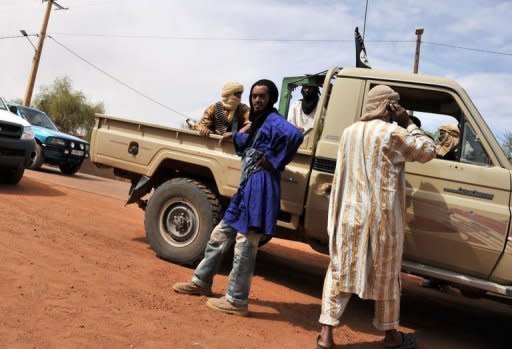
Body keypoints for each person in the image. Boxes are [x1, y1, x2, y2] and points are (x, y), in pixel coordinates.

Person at [316, 85, 436, 349]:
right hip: (381, 220)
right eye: (397, 105)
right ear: (390, 106)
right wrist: (409, 123)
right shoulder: (393, 133)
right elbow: (428, 151)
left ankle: (326, 334)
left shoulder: (350, 132)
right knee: (386, 273)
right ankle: (391, 335)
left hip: (349, 216)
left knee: (340, 269)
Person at [173, 79, 303, 316]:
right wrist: (233, 135)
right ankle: (201, 282)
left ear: (271, 98)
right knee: (219, 235)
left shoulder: (275, 121)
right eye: (254, 96)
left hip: (260, 187)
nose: (257, 100)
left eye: (262, 96)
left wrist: (273, 159)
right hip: (246, 187)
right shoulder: (257, 123)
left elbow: (295, 135)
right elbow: (250, 142)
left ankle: (236, 300)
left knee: (246, 243)